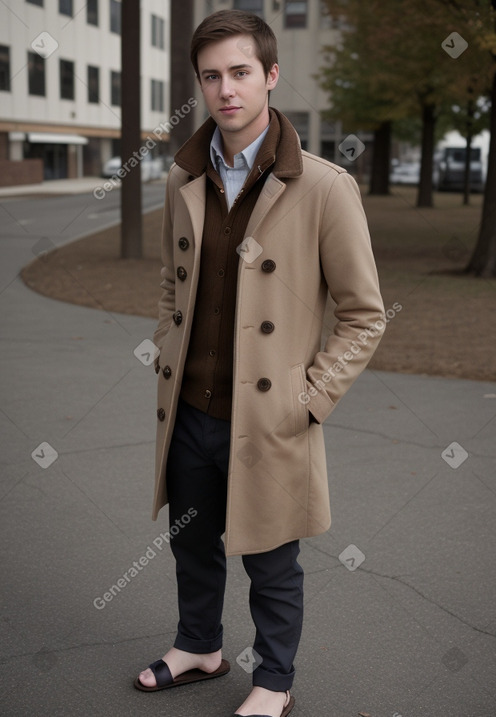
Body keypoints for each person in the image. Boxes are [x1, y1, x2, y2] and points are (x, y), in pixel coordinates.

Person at [134, 9, 385, 717]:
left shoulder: (326, 187)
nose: (226, 89)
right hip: (190, 410)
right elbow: (170, 284)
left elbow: (365, 313)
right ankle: (199, 646)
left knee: (272, 562)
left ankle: (274, 680)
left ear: (271, 76)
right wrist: (166, 349)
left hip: (270, 415)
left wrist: (307, 399)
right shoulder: (183, 179)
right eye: (211, 76)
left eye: (241, 72)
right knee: (192, 545)